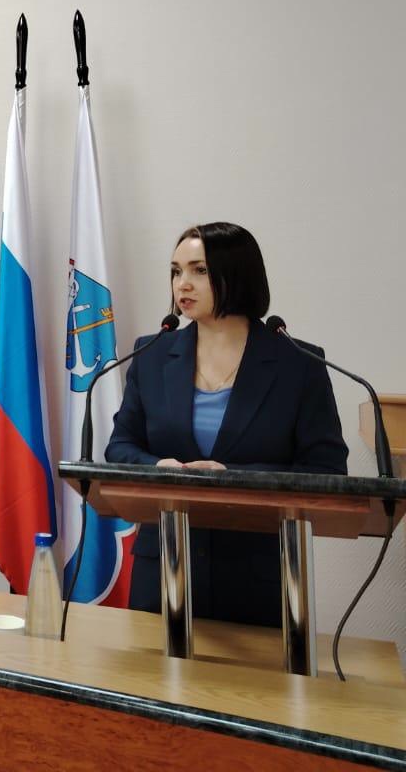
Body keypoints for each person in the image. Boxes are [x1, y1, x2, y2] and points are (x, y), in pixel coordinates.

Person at [105, 222, 347, 626]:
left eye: (199, 270)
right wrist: (159, 467)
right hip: (163, 568)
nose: (182, 284)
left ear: (238, 274)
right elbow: (120, 447)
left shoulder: (298, 364)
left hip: (257, 576)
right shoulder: (151, 354)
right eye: (176, 271)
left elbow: (327, 469)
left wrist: (232, 476)